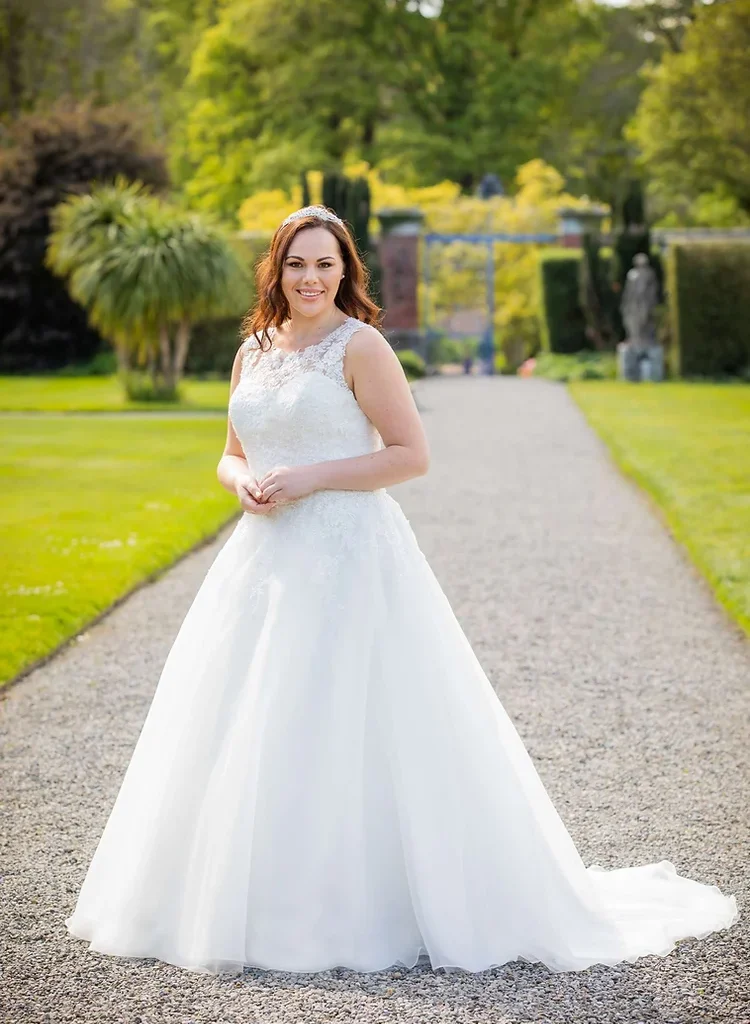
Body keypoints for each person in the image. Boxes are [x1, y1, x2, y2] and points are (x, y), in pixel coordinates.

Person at [65, 205, 738, 977]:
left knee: (349, 716)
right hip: (263, 558)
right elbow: (229, 452)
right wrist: (243, 481)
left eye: (326, 264)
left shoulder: (362, 345)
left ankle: (362, 905)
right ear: (275, 271)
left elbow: (410, 456)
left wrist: (314, 476)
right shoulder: (251, 350)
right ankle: (239, 899)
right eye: (297, 264)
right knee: (251, 713)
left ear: (347, 271)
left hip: (349, 555)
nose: (311, 278)